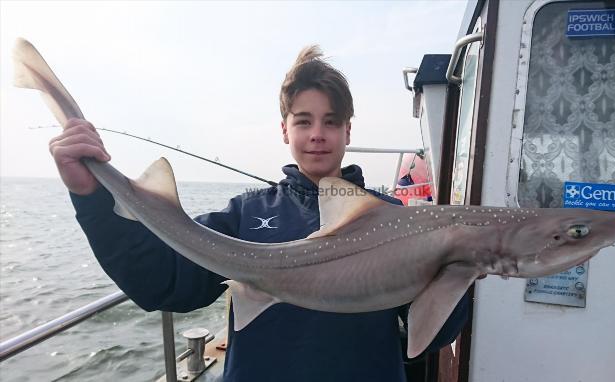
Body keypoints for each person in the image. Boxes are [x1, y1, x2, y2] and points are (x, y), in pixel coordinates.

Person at [49, 46, 470, 382]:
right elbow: (162, 284)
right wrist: (90, 197)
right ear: (284, 129)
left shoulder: (395, 220)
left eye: (331, 121)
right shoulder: (246, 217)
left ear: (348, 130)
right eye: (304, 121)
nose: (318, 135)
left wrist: (459, 271)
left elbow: (437, 334)